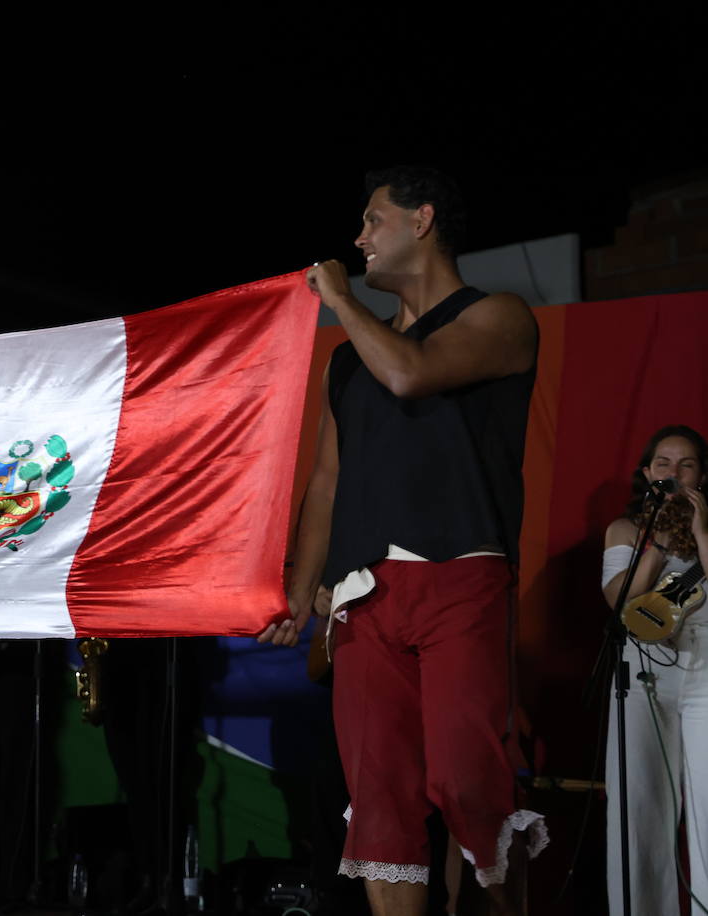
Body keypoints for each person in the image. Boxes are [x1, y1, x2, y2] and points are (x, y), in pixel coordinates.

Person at [258, 167, 545, 915]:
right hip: (364, 595)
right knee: (379, 792)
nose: (357, 240)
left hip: (461, 581)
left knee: (466, 782)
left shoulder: (499, 317)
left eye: (372, 221)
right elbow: (325, 484)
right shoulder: (349, 358)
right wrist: (298, 591)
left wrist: (343, 301)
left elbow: (413, 374)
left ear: (421, 221)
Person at [601, 425, 708, 913]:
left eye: (685, 464)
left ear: (700, 476)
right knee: (641, 806)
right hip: (644, 675)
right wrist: (659, 543)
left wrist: (701, 534)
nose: (673, 473)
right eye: (663, 463)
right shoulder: (624, 531)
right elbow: (618, 601)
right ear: (647, 473)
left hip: (705, 674)